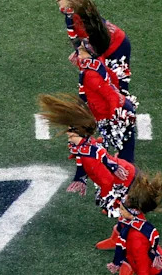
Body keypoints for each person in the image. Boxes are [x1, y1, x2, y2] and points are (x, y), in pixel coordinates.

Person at [37, 93, 137, 264]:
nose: (68, 134)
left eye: (71, 131)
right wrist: (80, 179)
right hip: (119, 176)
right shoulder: (83, 148)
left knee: (127, 215)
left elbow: (105, 178)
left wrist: (106, 196)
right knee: (123, 214)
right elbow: (82, 164)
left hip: (122, 180)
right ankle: (118, 237)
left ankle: (129, 255)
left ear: (81, 133)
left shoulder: (89, 153)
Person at [37, 0, 132, 93]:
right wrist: (79, 52)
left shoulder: (80, 17)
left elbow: (94, 44)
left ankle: (126, 113)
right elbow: (78, 39)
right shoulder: (71, 14)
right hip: (103, 46)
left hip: (117, 48)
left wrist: (83, 55)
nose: (57, 1)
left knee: (118, 90)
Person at [73, 34, 137, 163]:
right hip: (116, 110)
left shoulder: (91, 75)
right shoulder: (95, 63)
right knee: (117, 148)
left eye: (81, 48)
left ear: (89, 53)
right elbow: (112, 75)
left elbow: (110, 96)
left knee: (125, 158)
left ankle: (130, 178)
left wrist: (114, 116)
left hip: (117, 113)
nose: (78, 49)